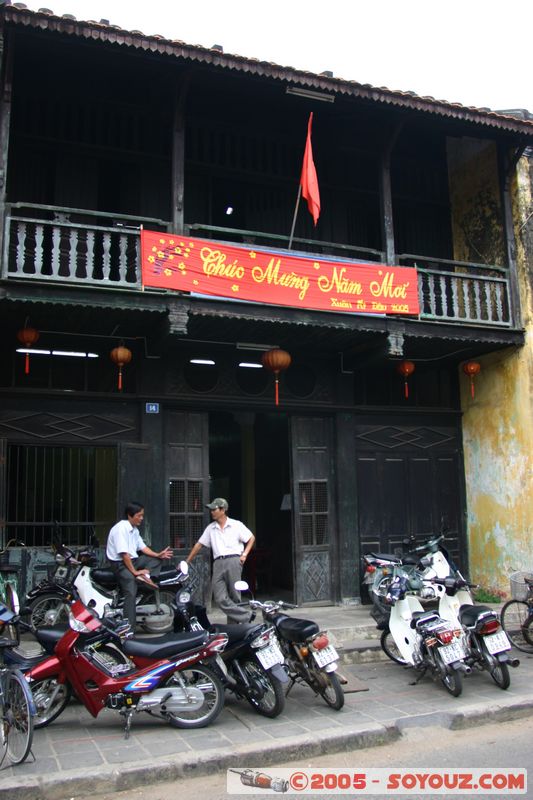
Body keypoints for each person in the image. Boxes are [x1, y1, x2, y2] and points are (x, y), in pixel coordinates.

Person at [186, 497, 255, 623]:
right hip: (218, 562)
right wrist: (187, 561)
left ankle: (234, 627)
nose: (212, 512)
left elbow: (251, 538)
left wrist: (244, 554)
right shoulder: (211, 528)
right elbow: (199, 544)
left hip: (234, 560)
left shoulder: (236, 525)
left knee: (235, 595)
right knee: (219, 597)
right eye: (211, 509)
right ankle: (246, 616)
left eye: (214, 509)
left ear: (223, 510)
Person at [106, 501, 172, 628]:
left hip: (133, 561)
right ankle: (129, 628)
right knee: (131, 591)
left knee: (156, 560)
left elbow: (143, 548)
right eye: (139, 515)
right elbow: (124, 554)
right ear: (130, 515)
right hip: (120, 564)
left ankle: (144, 578)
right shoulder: (121, 529)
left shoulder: (134, 530)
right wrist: (135, 572)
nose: (142, 518)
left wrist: (158, 554)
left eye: (142, 515)